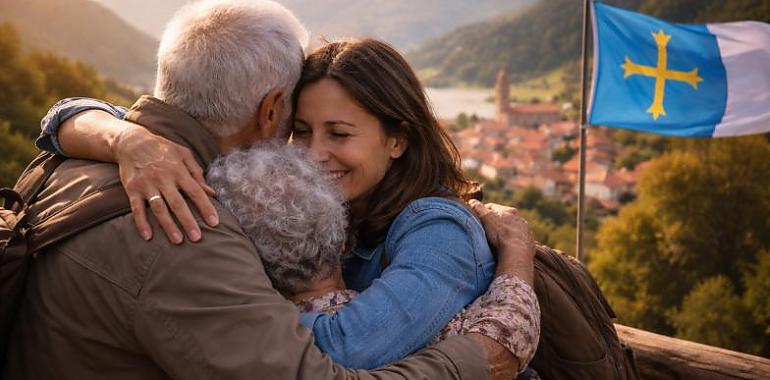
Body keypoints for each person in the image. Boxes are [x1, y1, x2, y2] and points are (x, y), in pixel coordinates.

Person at [4, 1, 536, 379]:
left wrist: (119, 136)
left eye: (340, 134)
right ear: (272, 110)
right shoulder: (183, 215)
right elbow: (323, 361)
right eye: (300, 130)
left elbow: (68, 117)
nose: (308, 154)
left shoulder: (83, 163)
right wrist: (483, 354)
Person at [208, 142, 537, 361]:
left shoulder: (249, 337)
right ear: (342, 236)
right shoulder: (407, 327)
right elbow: (511, 331)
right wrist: (516, 251)